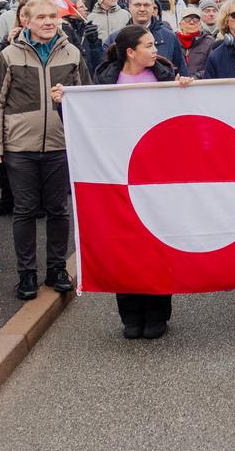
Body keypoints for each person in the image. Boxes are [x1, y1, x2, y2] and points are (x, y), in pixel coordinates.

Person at [0, 0, 92, 300]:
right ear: (26, 21)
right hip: (20, 147)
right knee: (25, 210)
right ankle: (27, 274)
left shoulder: (72, 53)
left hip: (59, 145)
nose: (48, 22)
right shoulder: (9, 55)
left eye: (52, 16)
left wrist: (73, 112)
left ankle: (56, 269)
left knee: (59, 209)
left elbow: (86, 96)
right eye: (41, 17)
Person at [97, 25, 189, 338]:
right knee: (125, 243)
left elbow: (183, 117)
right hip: (119, 173)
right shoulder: (106, 81)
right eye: (148, 46)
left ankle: (157, 313)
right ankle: (130, 314)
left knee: (156, 241)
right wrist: (62, 101)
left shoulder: (164, 76)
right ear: (130, 52)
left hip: (158, 174)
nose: (155, 50)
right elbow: (88, 118)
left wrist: (186, 89)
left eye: (154, 44)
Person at [175, 6, 215, 78]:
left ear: (200, 24)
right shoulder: (173, 40)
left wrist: (194, 78)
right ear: (180, 24)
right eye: (187, 19)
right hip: (177, 83)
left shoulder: (209, 41)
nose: (192, 22)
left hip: (200, 83)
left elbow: (212, 67)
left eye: (196, 19)